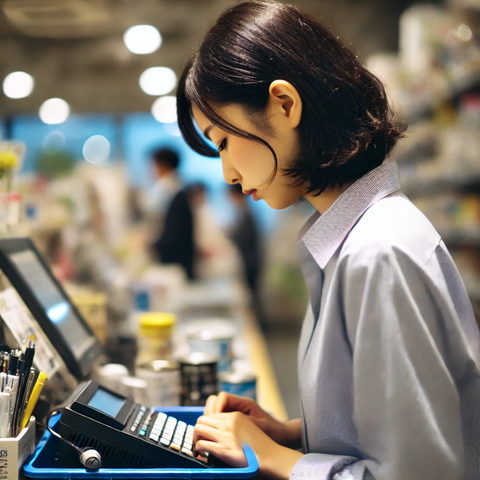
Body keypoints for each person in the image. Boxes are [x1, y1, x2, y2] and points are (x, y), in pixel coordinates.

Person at [175, 1, 480, 479]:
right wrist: (292, 433)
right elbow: (388, 423)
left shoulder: (379, 252)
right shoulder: (352, 238)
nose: (229, 174)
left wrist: (276, 458)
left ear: (284, 105)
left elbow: (418, 472)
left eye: (223, 141)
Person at [148, 147, 195, 280]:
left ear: (161, 165)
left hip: (174, 255)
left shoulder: (166, 188)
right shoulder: (181, 185)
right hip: (182, 253)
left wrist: (153, 245)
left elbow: (167, 227)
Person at [227, 183, 263, 320]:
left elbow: (242, 237)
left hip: (250, 262)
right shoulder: (244, 211)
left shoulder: (246, 212)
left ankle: (258, 327)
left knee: (252, 298)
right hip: (250, 260)